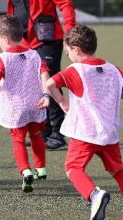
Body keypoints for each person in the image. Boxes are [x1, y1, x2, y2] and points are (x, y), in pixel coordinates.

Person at [43, 25, 123, 220]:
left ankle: (94, 195)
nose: (68, 55)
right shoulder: (113, 69)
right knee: (117, 169)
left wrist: (62, 102)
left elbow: (49, 83)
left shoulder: (75, 70)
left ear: (76, 50)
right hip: (109, 133)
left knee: (73, 168)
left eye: (68, 51)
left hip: (84, 132)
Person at [6, 0, 76, 149]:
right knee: (36, 85)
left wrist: (70, 36)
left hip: (48, 40)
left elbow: (65, 4)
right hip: (25, 43)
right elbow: (13, 16)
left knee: (50, 82)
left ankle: (58, 133)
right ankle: (43, 131)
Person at [0, 15, 50, 192]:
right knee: (37, 134)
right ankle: (41, 168)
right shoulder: (34, 54)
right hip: (35, 104)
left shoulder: (3, 58)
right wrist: (46, 94)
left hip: (16, 108)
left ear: (5, 38)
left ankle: (25, 171)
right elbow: (45, 74)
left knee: (18, 139)